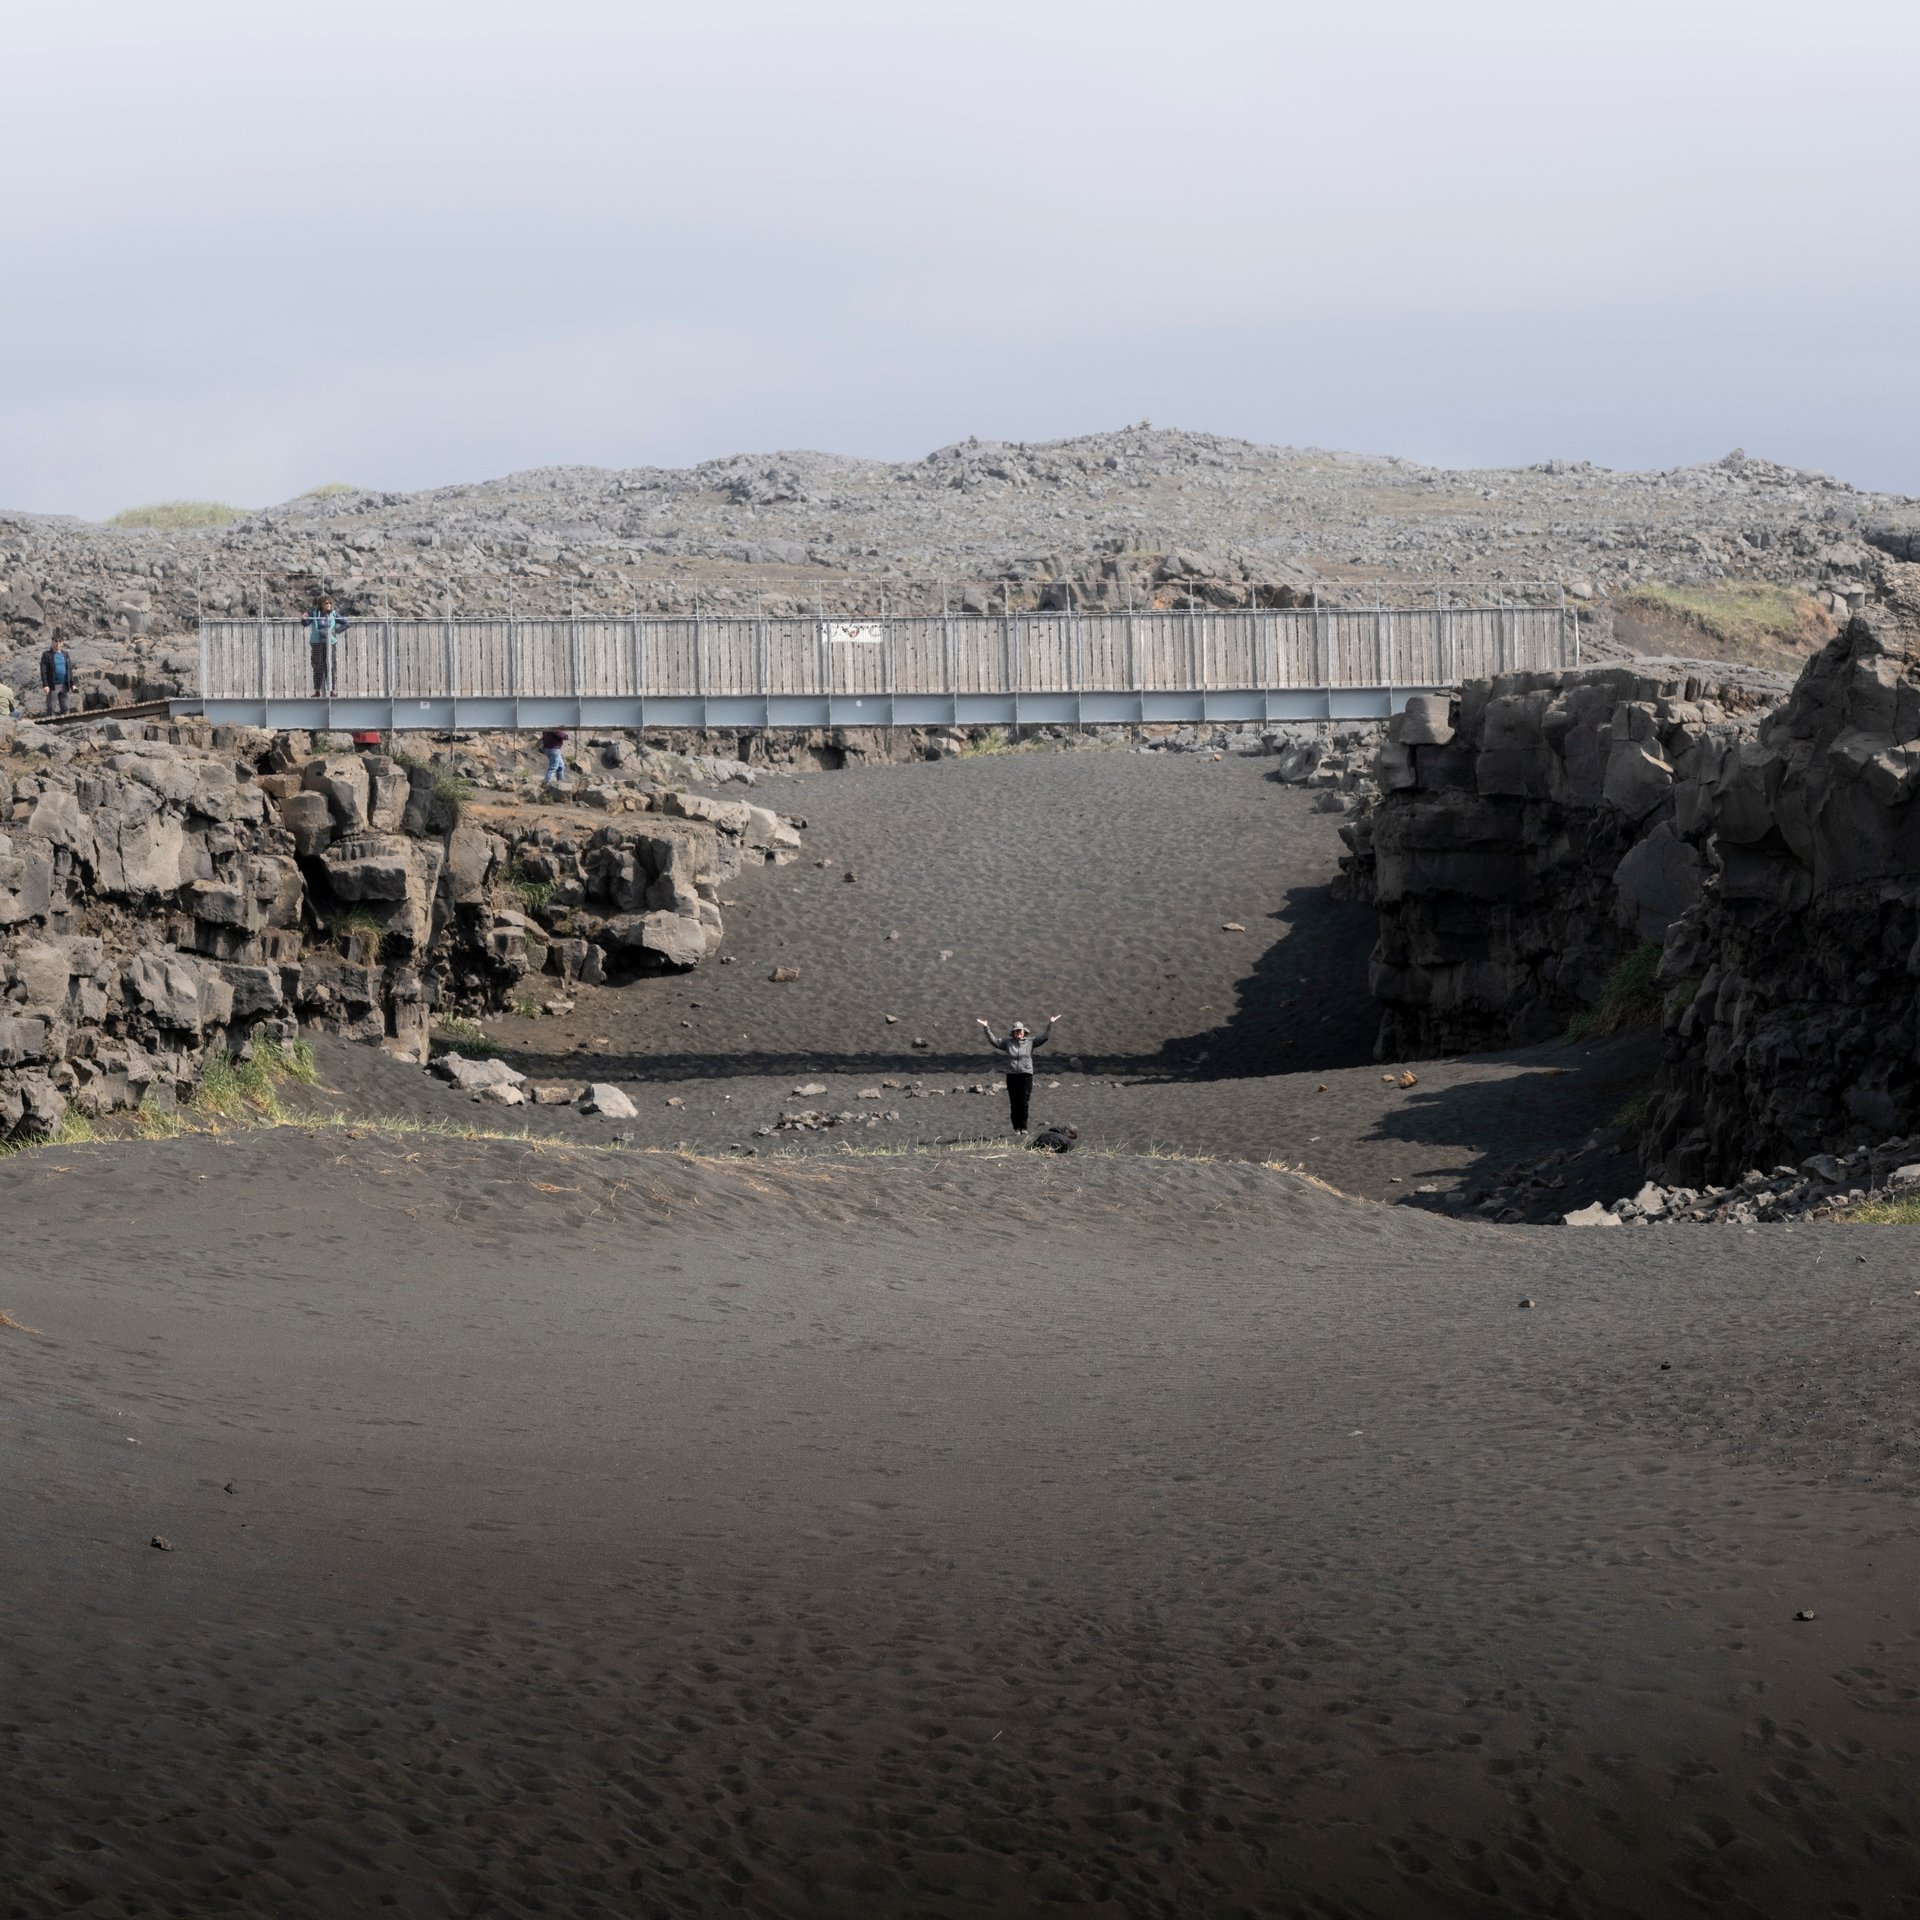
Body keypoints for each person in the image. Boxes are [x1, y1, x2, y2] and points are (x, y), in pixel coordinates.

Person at [976, 1013, 1063, 1134]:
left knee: (1024, 1102)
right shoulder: (1007, 1043)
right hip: (1012, 1075)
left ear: (1024, 1032)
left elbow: (1045, 1038)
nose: (1019, 1033)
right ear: (1013, 1033)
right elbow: (994, 1041)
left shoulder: (1030, 1042)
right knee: (1014, 1103)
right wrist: (986, 1027)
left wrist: (1051, 1023)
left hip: (1026, 1075)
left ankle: (1023, 1127)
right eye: (1016, 1031)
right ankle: (1016, 1128)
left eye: (1020, 1031)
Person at [308, 596, 348, 696]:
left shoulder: (333, 614)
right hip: (317, 643)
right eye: (327, 603)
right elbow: (305, 623)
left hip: (330, 643)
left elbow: (346, 623)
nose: (329, 605)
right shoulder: (314, 613)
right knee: (317, 667)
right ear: (321, 604)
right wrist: (304, 617)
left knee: (330, 666)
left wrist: (336, 631)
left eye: (330, 603)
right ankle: (317, 690)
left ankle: (332, 690)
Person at [39, 637, 72, 716]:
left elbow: (69, 670)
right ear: (52, 642)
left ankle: (65, 721)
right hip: (53, 684)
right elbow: (43, 670)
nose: (58, 643)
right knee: (51, 707)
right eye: (56, 641)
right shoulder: (47, 654)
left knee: (66, 707)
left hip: (64, 684)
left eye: (60, 641)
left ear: (62, 643)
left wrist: (72, 683)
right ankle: (50, 724)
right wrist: (45, 685)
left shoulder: (65, 654)